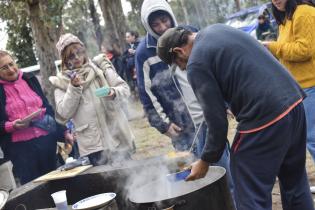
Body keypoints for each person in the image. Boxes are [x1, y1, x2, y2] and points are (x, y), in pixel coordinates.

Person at [157, 25, 314, 210]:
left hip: (265, 117)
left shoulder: (196, 63)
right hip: (294, 103)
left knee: (248, 189)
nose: (182, 68)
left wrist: (205, 160)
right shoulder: (216, 29)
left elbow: (216, 123)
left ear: (178, 50)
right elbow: (239, 69)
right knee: (295, 183)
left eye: (178, 64)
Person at [49, 33, 136, 166]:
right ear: (65, 59)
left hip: (117, 135)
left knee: (131, 180)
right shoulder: (61, 82)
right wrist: (74, 87)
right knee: (107, 184)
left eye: (79, 52)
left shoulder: (100, 67)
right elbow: (64, 113)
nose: (77, 58)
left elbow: (124, 89)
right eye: (71, 56)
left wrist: (113, 92)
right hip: (95, 146)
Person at [0, 50, 70, 184]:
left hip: (47, 143)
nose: (11, 69)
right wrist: (12, 126)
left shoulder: (30, 79)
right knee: (36, 193)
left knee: (58, 185)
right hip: (21, 152)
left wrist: (64, 131)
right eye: (4, 67)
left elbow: (47, 108)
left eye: (11, 63)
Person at [263, 0, 315, 165]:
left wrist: (272, 46)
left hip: (311, 84)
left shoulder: (304, 12)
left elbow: (304, 50)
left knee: (312, 138)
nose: (275, 0)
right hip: (300, 87)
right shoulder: (286, 18)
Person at [122, 30, 140, 95]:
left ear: (133, 36)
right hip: (132, 72)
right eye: (126, 37)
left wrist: (135, 52)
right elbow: (123, 57)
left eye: (128, 37)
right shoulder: (128, 47)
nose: (126, 39)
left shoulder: (140, 44)